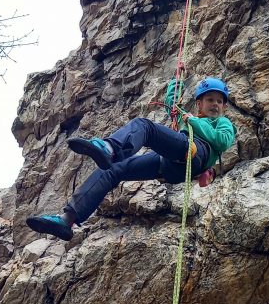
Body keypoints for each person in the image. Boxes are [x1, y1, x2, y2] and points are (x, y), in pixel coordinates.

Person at [26, 77, 237, 241]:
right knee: (112, 170)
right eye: (210, 100)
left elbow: (222, 141)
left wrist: (194, 123)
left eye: (220, 101)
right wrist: (175, 86)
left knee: (145, 126)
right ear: (199, 103)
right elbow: (173, 108)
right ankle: (67, 219)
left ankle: (111, 147)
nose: (215, 105)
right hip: (170, 163)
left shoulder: (223, 123)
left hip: (195, 154)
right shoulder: (189, 118)